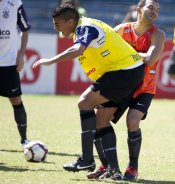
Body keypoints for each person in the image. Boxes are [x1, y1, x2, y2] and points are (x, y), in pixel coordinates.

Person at [32, 4, 144, 179]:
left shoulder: (84, 27)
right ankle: (112, 169)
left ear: (70, 21)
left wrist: (50, 61)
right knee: (101, 120)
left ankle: (86, 159)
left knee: (84, 102)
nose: (56, 28)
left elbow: (77, 50)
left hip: (125, 71)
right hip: (126, 72)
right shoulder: (82, 28)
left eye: (57, 24)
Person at [86, 0, 165, 181]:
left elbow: (151, 59)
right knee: (100, 117)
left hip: (144, 88)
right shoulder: (122, 29)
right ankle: (105, 166)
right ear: (139, 9)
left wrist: (124, 53)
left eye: (158, 10)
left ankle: (133, 168)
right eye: (151, 8)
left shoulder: (158, 35)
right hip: (122, 86)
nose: (155, 12)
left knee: (132, 120)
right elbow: (102, 47)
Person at [0, 0, 31, 149]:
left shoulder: (15, 3)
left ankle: (24, 139)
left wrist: (21, 54)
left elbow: (25, 30)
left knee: (16, 100)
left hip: (9, 62)